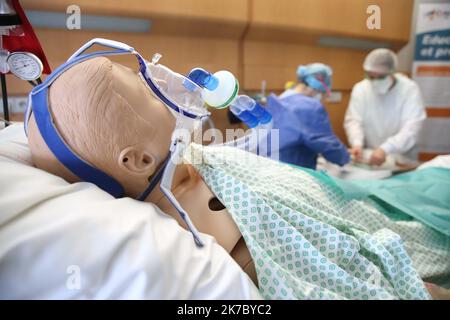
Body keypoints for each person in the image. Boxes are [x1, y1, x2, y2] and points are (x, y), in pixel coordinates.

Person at [23, 42, 449, 299]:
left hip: (344, 194)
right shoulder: (208, 223)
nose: (166, 82)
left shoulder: (194, 157)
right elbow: (324, 272)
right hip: (384, 214)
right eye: (149, 90)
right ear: (137, 161)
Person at [344, 48, 426, 166]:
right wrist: (357, 143)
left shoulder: (409, 89)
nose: (375, 81)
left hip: (401, 157)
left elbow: (412, 127)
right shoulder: (361, 89)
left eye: (380, 77)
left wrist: (386, 149)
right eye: (371, 77)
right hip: (370, 155)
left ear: (392, 72)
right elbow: (353, 120)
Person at [266, 63, 350, 169]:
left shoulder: (277, 101)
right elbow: (325, 142)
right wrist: (345, 157)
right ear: (316, 88)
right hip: (293, 172)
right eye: (322, 93)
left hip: (269, 166)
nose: (321, 98)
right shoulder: (310, 107)